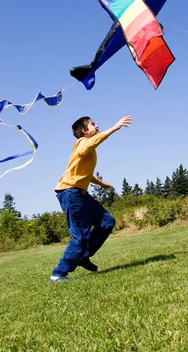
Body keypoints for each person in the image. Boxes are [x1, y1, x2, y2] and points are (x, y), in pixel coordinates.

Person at [48, 115, 132, 283]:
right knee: (80, 237)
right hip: (71, 192)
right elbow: (90, 144)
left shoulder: (88, 148)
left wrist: (101, 183)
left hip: (79, 193)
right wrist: (115, 127)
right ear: (85, 131)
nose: (97, 125)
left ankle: (83, 257)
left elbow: (84, 173)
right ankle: (57, 274)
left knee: (107, 221)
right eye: (93, 124)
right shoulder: (82, 143)